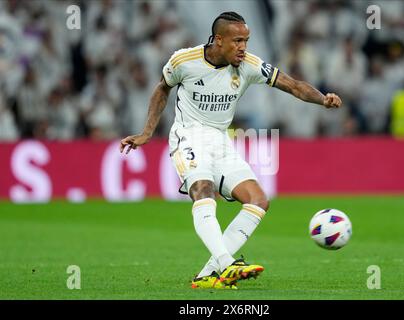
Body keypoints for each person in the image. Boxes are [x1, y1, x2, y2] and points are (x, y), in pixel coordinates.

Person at [120, 12, 342, 289]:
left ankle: (207, 276)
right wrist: (147, 132)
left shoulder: (249, 65)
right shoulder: (183, 61)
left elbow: (293, 85)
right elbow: (162, 89)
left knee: (259, 200)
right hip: (188, 136)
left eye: (246, 41)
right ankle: (227, 263)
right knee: (203, 189)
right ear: (218, 39)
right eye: (237, 41)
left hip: (221, 141)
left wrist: (323, 99)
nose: (243, 47)